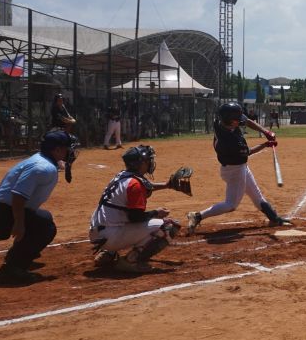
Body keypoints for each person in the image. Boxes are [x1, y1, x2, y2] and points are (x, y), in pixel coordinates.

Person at [0, 130, 79, 283]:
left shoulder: (41, 161)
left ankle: (17, 255)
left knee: (44, 216)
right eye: (67, 148)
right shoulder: (43, 167)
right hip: (2, 214)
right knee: (46, 227)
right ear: (57, 150)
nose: (71, 151)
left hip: (2, 210)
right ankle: (12, 270)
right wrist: (19, 224)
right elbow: (18, 195)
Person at [186, 102, 291, 235]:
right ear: (231, 122)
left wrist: (266, 131)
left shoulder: (221, 123)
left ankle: (274, 218)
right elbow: (248, 152)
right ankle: (197, 216)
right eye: (237, 120)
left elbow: (246, 121)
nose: (240, 121)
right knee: (231, 205)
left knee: (256, 195)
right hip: (234, 171)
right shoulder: (230, 141)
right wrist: (266, 144)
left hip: (237, 167)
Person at [89, 145, 181, 273]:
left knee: (121, 214)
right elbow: (135, 218)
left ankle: (108, 253)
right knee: (170, 225)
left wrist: (167, 185)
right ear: (140, 163)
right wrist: (156, 213)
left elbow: (146, 186)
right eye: (147, 160)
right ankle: (130, 261)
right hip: (111, 236)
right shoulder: (135, 185)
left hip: (97, 234)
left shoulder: (122, 175)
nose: (150, 162)